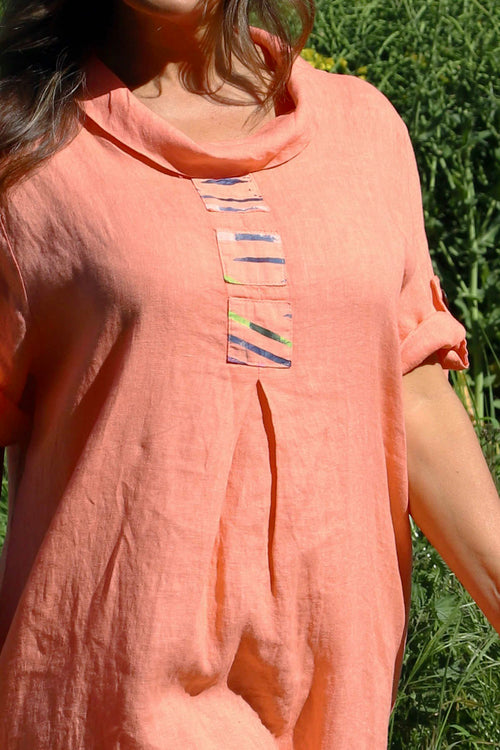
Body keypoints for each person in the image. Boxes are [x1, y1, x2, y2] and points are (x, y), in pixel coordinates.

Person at [0, 0, 498, 747]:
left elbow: (414, 394)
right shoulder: (27, 148)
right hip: (110, 701)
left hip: (337, 708)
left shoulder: (365, 131)